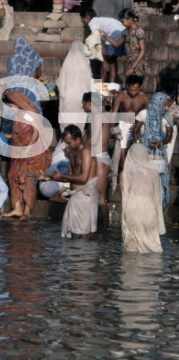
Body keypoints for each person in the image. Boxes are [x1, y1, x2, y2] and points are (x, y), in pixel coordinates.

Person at [2, 92, 51, 220]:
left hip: (32, 151)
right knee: (12, 175)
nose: (9, 109)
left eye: (11, 105)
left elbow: (35, 133)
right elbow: (19, 133)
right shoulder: (17, 116)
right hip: (18, 151)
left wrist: (28, 149)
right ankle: (17, 208)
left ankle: (27, 211)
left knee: (29, 178)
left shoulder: (29, 115)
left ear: (18, 104)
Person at [50, 124, 98, 238]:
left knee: (84, 234)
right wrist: (51, 177)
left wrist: (61, 176)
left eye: (69, 143)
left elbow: (83, 178)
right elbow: (71, 174)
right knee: (69, 233)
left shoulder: (86, 151)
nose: (66, 146)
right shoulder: (73, 152)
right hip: (75, 196)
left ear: (77, 139)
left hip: (85, 196)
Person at [121, 144, 166, 253]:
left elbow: (124, 198)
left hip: (131, 215)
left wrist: (123, 221)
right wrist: (160, 225)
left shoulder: (124, 173)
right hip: (149, 215)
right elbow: (158, 201)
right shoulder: (155, 173)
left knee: (131, 253)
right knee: (153, 251)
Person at [136, 92, 173, 207]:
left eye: (167, 106)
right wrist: (136, 137)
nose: (166, 108)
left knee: (159, 184)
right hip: (144, 153)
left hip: (159, 154)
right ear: (157, 104)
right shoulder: (144, 114)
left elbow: (169, 135)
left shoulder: (169, 116)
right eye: (165, 105)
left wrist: (160, 143)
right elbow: (136, 129)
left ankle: (157, 210)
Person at [82, 91, 111, 228]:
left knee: (100, 198)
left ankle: (104, 230)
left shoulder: (98, 116)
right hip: (99, 158)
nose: (82, 107)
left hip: (99, 158)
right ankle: (98, 229)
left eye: (83, 104)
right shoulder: (97, 116)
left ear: (89, 103)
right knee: (97, 197)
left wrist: (78, 147)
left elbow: (93, 140)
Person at [79, 8, 125, 83]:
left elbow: (99, 40)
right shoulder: (99, 21)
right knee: (112, 64)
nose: (81, 21)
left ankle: (98, 91)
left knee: (104, 67)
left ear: (87, 17)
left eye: (82, 18)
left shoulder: (92, 23)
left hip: (114, 36)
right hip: (121, 34)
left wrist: (103, 60)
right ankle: (111, 89)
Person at [56, 41, 92, 132]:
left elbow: (59, 82)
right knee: (77, 129)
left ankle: (66, 144)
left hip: (67, 100)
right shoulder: (84, 63)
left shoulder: (67, 62)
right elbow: (89, 82)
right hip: (80, 101)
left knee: (66, 129)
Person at [100, 8, 147, 78]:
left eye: (123, 21)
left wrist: (132, 67)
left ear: (129, 20)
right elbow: (116, 44)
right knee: (128, 87)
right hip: (129, 64)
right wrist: (105, 35)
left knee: (136, 86)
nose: (122, 24)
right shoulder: (126, 32)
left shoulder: (139, 31)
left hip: (138, 64)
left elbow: (142, 51)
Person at [5, 37, 44, 113]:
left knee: (15, 115)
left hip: (15, 90)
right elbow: (38, 73)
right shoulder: (35, 56)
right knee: (33, 113)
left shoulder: (12, 58)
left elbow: (9, 76)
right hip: (31, 90)